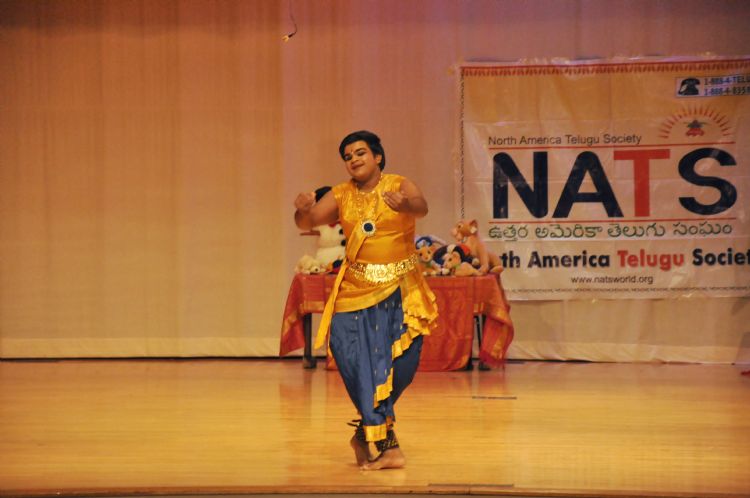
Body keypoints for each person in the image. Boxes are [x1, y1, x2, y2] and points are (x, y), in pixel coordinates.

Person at [293, 130, 438, 470]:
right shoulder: (341, 194)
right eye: (348, 156)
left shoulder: (400, 185)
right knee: (354, 361)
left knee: (403, 366)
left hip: (400, 287)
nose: (353, 159)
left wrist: (406, 206)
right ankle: (388, 446)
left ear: (378, 157)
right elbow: (309, 220)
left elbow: (422, 208)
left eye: (360, 153)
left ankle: (365, 433)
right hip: (354, 290)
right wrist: (301, 210)